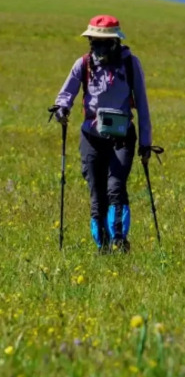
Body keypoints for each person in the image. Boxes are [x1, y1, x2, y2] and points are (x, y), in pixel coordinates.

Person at [50, 15, 153, 252]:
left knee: (116, 187)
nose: (99, 47)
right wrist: (62, 109)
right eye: (95, 41)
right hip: (91, 138)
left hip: (122, 137)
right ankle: (102, 246)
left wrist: (146, 143)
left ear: (116, 42)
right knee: (97, 194)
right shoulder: (83, 64)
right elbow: (65, 95)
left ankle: (119, 239)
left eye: (104, 42)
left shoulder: (131, 64)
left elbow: (143, 106)